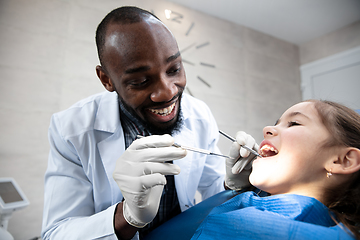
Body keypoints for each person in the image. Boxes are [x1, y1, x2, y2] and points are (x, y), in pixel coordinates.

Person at [41, 6, 256, 240]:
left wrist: (232, 185)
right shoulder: (71, 129)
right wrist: (128, 215)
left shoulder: (199, 114)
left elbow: (211, 189)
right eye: (141, 81)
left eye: (174, 69)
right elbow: (56, 233)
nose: (166, 92)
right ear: (106, 79)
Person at [191, 99, 360, 240]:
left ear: (342, 160)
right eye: (276, 123)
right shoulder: (242, 206)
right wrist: (236, 190)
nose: (267, 130)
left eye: (293, 123)